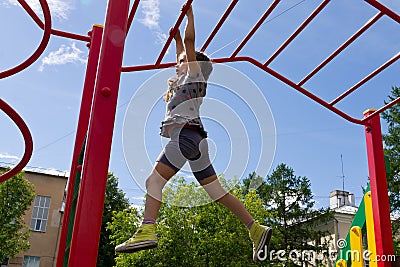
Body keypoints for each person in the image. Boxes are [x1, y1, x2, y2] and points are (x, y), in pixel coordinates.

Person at [115, 4, 272, 262]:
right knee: (217, 193)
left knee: (153, 182)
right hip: (196, 141)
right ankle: (255, 229)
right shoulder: (183, 79)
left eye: (181, 61)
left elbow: (189, 44)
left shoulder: (195, 75)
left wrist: (189, 16)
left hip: (185, 137)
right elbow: (182, 50)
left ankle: (147, 229)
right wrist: (176, 39)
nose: (176, 64)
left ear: (192, 62)